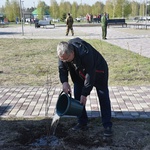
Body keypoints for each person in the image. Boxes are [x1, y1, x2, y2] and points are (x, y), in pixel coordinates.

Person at [57, 37, 113, 137]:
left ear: (72, 53)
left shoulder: (85, 52)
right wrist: (64, 82)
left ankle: (107, 125)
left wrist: (85, 93)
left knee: (103, 95)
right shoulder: (63, 52)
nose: (65, 61)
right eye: (63, 60)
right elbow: (62, 68)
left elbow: (90, 74)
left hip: (98, 71)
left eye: (66, 59)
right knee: (78, 95)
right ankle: (82, 122)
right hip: (79, 72)